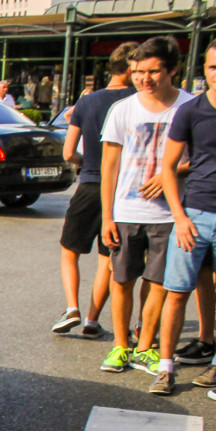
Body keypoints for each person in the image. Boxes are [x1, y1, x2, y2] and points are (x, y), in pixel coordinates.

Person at [100, 36, 195, 378]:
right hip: (126, 210)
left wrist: (171, 171)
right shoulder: (123, 109)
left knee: (157, 282)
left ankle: (144, 347)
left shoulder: (190, 107)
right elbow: (108, 165)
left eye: (153, 71)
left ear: (172, 70)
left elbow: (202, 157)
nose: (144, 78)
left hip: (170, 213)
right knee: (122, 279)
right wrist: (106, 215)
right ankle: (120, 344)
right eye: (138, 71)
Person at [51, 42, 137, 339]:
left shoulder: (87, 102)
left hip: (89, 182)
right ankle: (91, 319)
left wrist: (84, 161)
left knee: (69, 250)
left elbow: (67, 152)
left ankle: (72, 307)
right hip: (123, 188)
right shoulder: (139, 101)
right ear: (131, 69)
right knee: (107, 257)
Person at [155, 41, 216, 395]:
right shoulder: (191, 111)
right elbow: (167, 167)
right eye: (212, 67)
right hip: (194, 214)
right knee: (176, 293)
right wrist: (179, 216)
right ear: (204, 70)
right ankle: (165, 368)